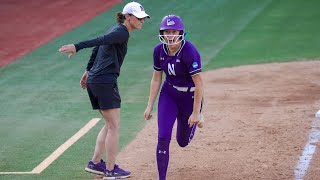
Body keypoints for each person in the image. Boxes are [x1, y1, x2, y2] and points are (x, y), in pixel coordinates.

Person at [58, 2, 149, 179]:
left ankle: (96, 163)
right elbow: (98, 42)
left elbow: (99, 46)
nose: (141, 21)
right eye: (138, 17)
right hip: (105, 82)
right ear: (128, 17)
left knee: (109, 125)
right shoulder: (121, 32)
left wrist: (88, 71)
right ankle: (110, 169)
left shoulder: (116, 30)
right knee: (114, 126)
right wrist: (77, 46)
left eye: (143, 18)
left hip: (96, 81)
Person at [144, 15, 204, 180]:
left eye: (173, 32)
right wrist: (149, 105)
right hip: (169, 94)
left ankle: (195, 120)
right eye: (166, 32)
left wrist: (196, 112)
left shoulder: (190, 52)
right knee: (163, 136)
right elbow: (157, 78)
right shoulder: (158, 51)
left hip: (189, 96)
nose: (170, 35)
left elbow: (199, 84)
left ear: (181, 33)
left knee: (182, 142)